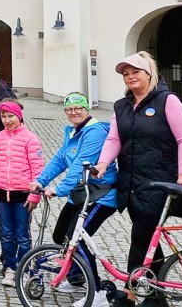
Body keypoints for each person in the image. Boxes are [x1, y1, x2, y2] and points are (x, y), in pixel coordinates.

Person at [93, 52, 182, 306]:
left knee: (140, 238)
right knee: (150, 241)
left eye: (135, 72)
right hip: (131, 184)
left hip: (159, 183)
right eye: (126, 74)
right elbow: (114, 139)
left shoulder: (167, 101)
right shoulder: (121, 106)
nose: (130, 77)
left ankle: (130, 293)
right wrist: (103, 164)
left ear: (149, 73)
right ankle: (155, 294)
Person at [30, 92, 118, 306]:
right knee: (61, 236)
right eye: (69, 109)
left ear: (87, 108)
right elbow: (60, 159)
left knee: (75, 239)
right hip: (80, 195)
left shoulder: (95, 132)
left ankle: (98, 293)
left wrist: (58, 190)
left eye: (78, 107)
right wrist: (40, 181)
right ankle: (77, 277)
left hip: (101, 196)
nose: (74, 112)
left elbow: (80, 166)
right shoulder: (73, 132)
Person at [0, 99, 44, 286]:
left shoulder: (30, 139)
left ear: (19, 116)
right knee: (6, 234)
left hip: (22, 195)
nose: (8, 120)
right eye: (4, 116)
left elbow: (38, 169)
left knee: (22, 234)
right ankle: (10, 267)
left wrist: (35, 194)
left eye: (11, 116)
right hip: (2, 194)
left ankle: (24, 267)